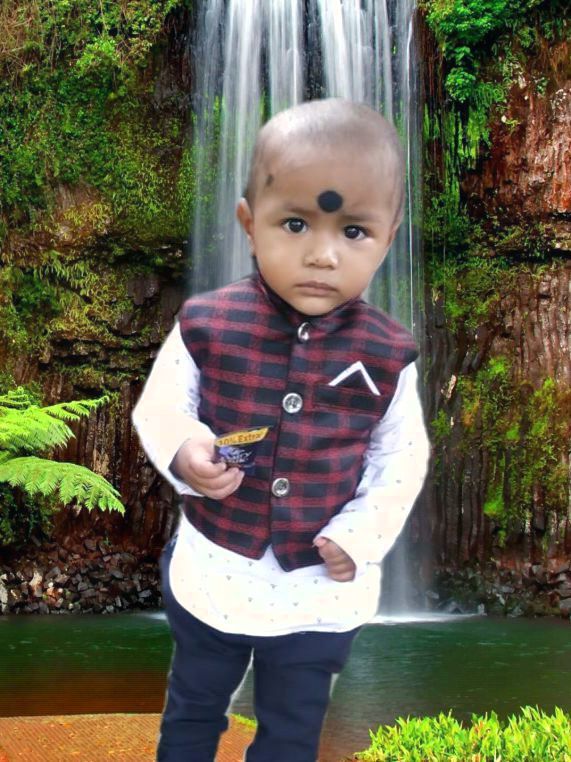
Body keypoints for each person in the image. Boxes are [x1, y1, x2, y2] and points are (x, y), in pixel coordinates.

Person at [132, 97, 430, 762]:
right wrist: (185, 450)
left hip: (317, 592)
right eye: (295, 224)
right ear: (249, 223)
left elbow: (400, 456)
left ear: (388, 237)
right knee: (194, 708)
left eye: (353, 231)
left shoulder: (388, 353)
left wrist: (360, 535)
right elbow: (161, 407)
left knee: (291, 731)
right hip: (216, 570)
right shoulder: (206, 323)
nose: (322, 255)